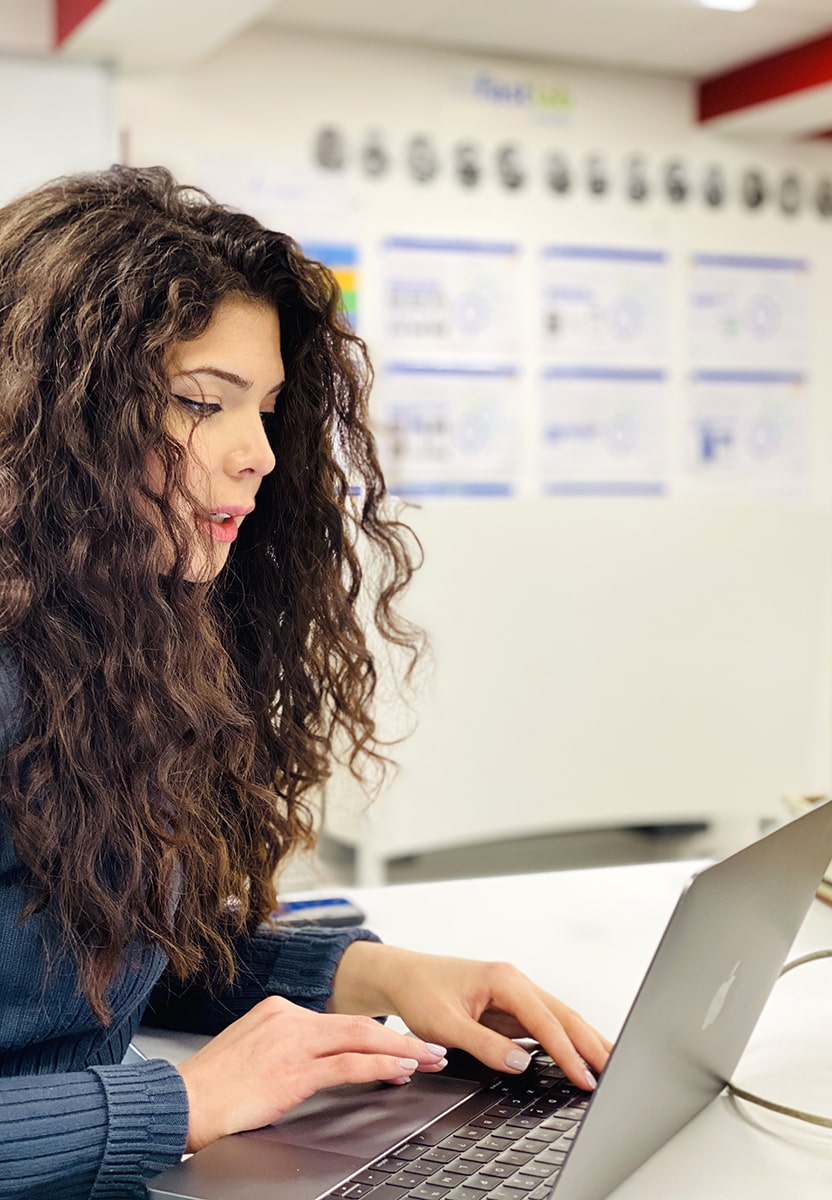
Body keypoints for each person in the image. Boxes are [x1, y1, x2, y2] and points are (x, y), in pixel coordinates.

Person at [0, 166, 611, 1199]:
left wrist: (370, 979)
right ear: (51, 411)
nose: (260, 456)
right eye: (203, 402)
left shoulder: (115, 640)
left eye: (269, 410)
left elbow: (87, 962)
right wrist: (185, 1103)